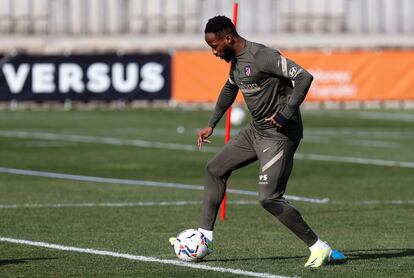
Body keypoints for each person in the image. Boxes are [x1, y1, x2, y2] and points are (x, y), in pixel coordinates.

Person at [171, 15, 334, 268]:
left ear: (228, 38)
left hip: (280, 136)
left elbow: (304, 77)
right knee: (215, 169)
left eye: (214, 46)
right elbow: (229, 89)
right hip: (255, 131)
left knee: (269, 198)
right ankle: (205, 236)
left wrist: (285, 114)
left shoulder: (262, 56)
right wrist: (211, 123)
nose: (214, 52)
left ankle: (318, 247)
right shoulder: (235, 63)